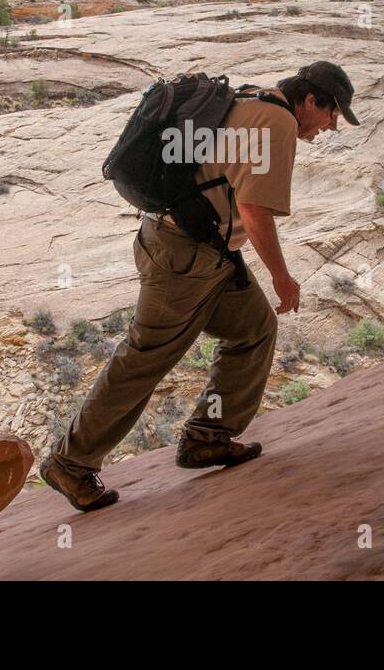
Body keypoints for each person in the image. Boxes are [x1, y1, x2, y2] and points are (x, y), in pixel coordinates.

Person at [40, 61, 360, 511]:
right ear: (311, 100)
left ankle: (208, 436)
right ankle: (70, 462)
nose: (330, 126)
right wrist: (282, 277)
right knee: (146, 357)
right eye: (331, 115)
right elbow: (254, 210)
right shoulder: (278, 122)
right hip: (184, 256)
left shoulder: (253, 96)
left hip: (204, 251)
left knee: (254, 328)